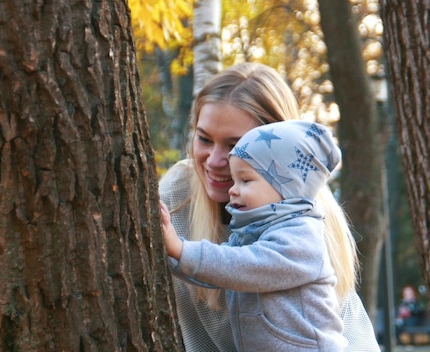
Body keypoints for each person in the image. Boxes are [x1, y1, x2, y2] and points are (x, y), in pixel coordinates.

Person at [158, 62, 380, 351]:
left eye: (234, 146)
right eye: (204, 139)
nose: (214, 160)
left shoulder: (303, 229)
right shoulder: (178, 192)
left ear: (282, 160)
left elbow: (241, 265)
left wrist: (180, 249)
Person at [161, 120, 348, 351]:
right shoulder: (254, 232)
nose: (232, 189)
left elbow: (241, 266)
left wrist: (180, 248)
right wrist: (172, 258)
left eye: (245, 180)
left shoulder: (301, 238)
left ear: (286, 187)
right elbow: (217, 273)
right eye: (234, 179)